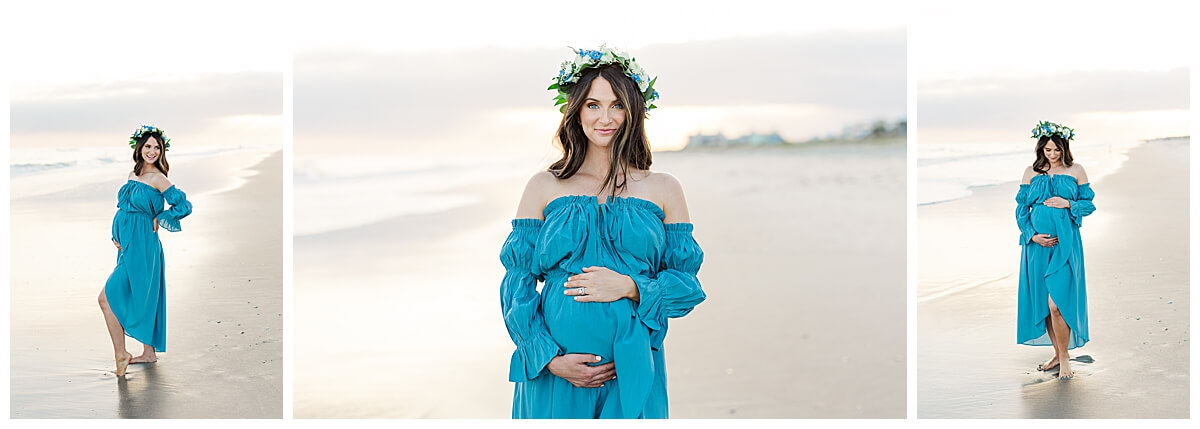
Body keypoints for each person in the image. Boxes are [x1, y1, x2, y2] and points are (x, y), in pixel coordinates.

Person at [499, 46, 705, 418]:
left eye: (617, 105)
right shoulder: (544, 186)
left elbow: (686, 287)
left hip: (634, 363)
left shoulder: (663, 188)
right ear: (575, 111)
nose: (604, 117)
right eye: (593, 105)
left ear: (634, 112)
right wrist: (546, 357)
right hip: (558, 370)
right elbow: (517, 282)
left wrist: (629, 286)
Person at [98, 125, 193, 377]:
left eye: (157, 147)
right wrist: (117, 232)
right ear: (139, 148)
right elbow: (125, 208)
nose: (152, 151)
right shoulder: (133, 174)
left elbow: (183, 205)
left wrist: (161, 216)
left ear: (162, 152)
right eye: (148, 146)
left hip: (144, 244)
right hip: (127, 243)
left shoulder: (158, 178)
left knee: (107, 298)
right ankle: (148, 353)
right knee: (138, 292)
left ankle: (122, 353)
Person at [1015, 120, 1094, 380]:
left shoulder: (1076, 170)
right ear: (1041, 149)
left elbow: (1088, 205)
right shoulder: (1030, 172)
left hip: (1065, 245)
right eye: (1047, 150)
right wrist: (1032, 236)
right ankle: (1058, 355)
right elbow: (1020, 210)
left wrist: (1067, 203)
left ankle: (1066, 359)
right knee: (1046, 305)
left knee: (1057, 304)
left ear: (1064, 147)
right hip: (1037, 247)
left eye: (1056, 150)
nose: (1052, 154)